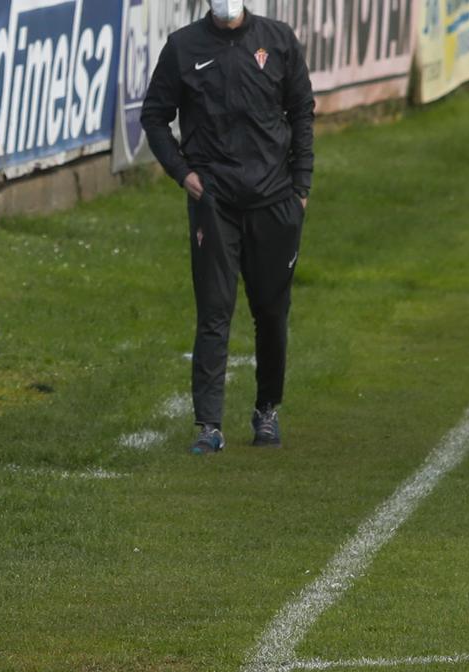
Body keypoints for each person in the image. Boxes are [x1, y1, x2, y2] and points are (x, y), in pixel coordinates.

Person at [141, 0, 315, 453]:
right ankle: (209, 425)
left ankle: (267, 411)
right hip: (214, 202)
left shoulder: (279, 41)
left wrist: (301, 185)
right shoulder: (183, 47)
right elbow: (154, 117)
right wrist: (183, 173)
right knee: (215, 312)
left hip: (276, 200)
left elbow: (302, 112)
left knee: (272, 312)